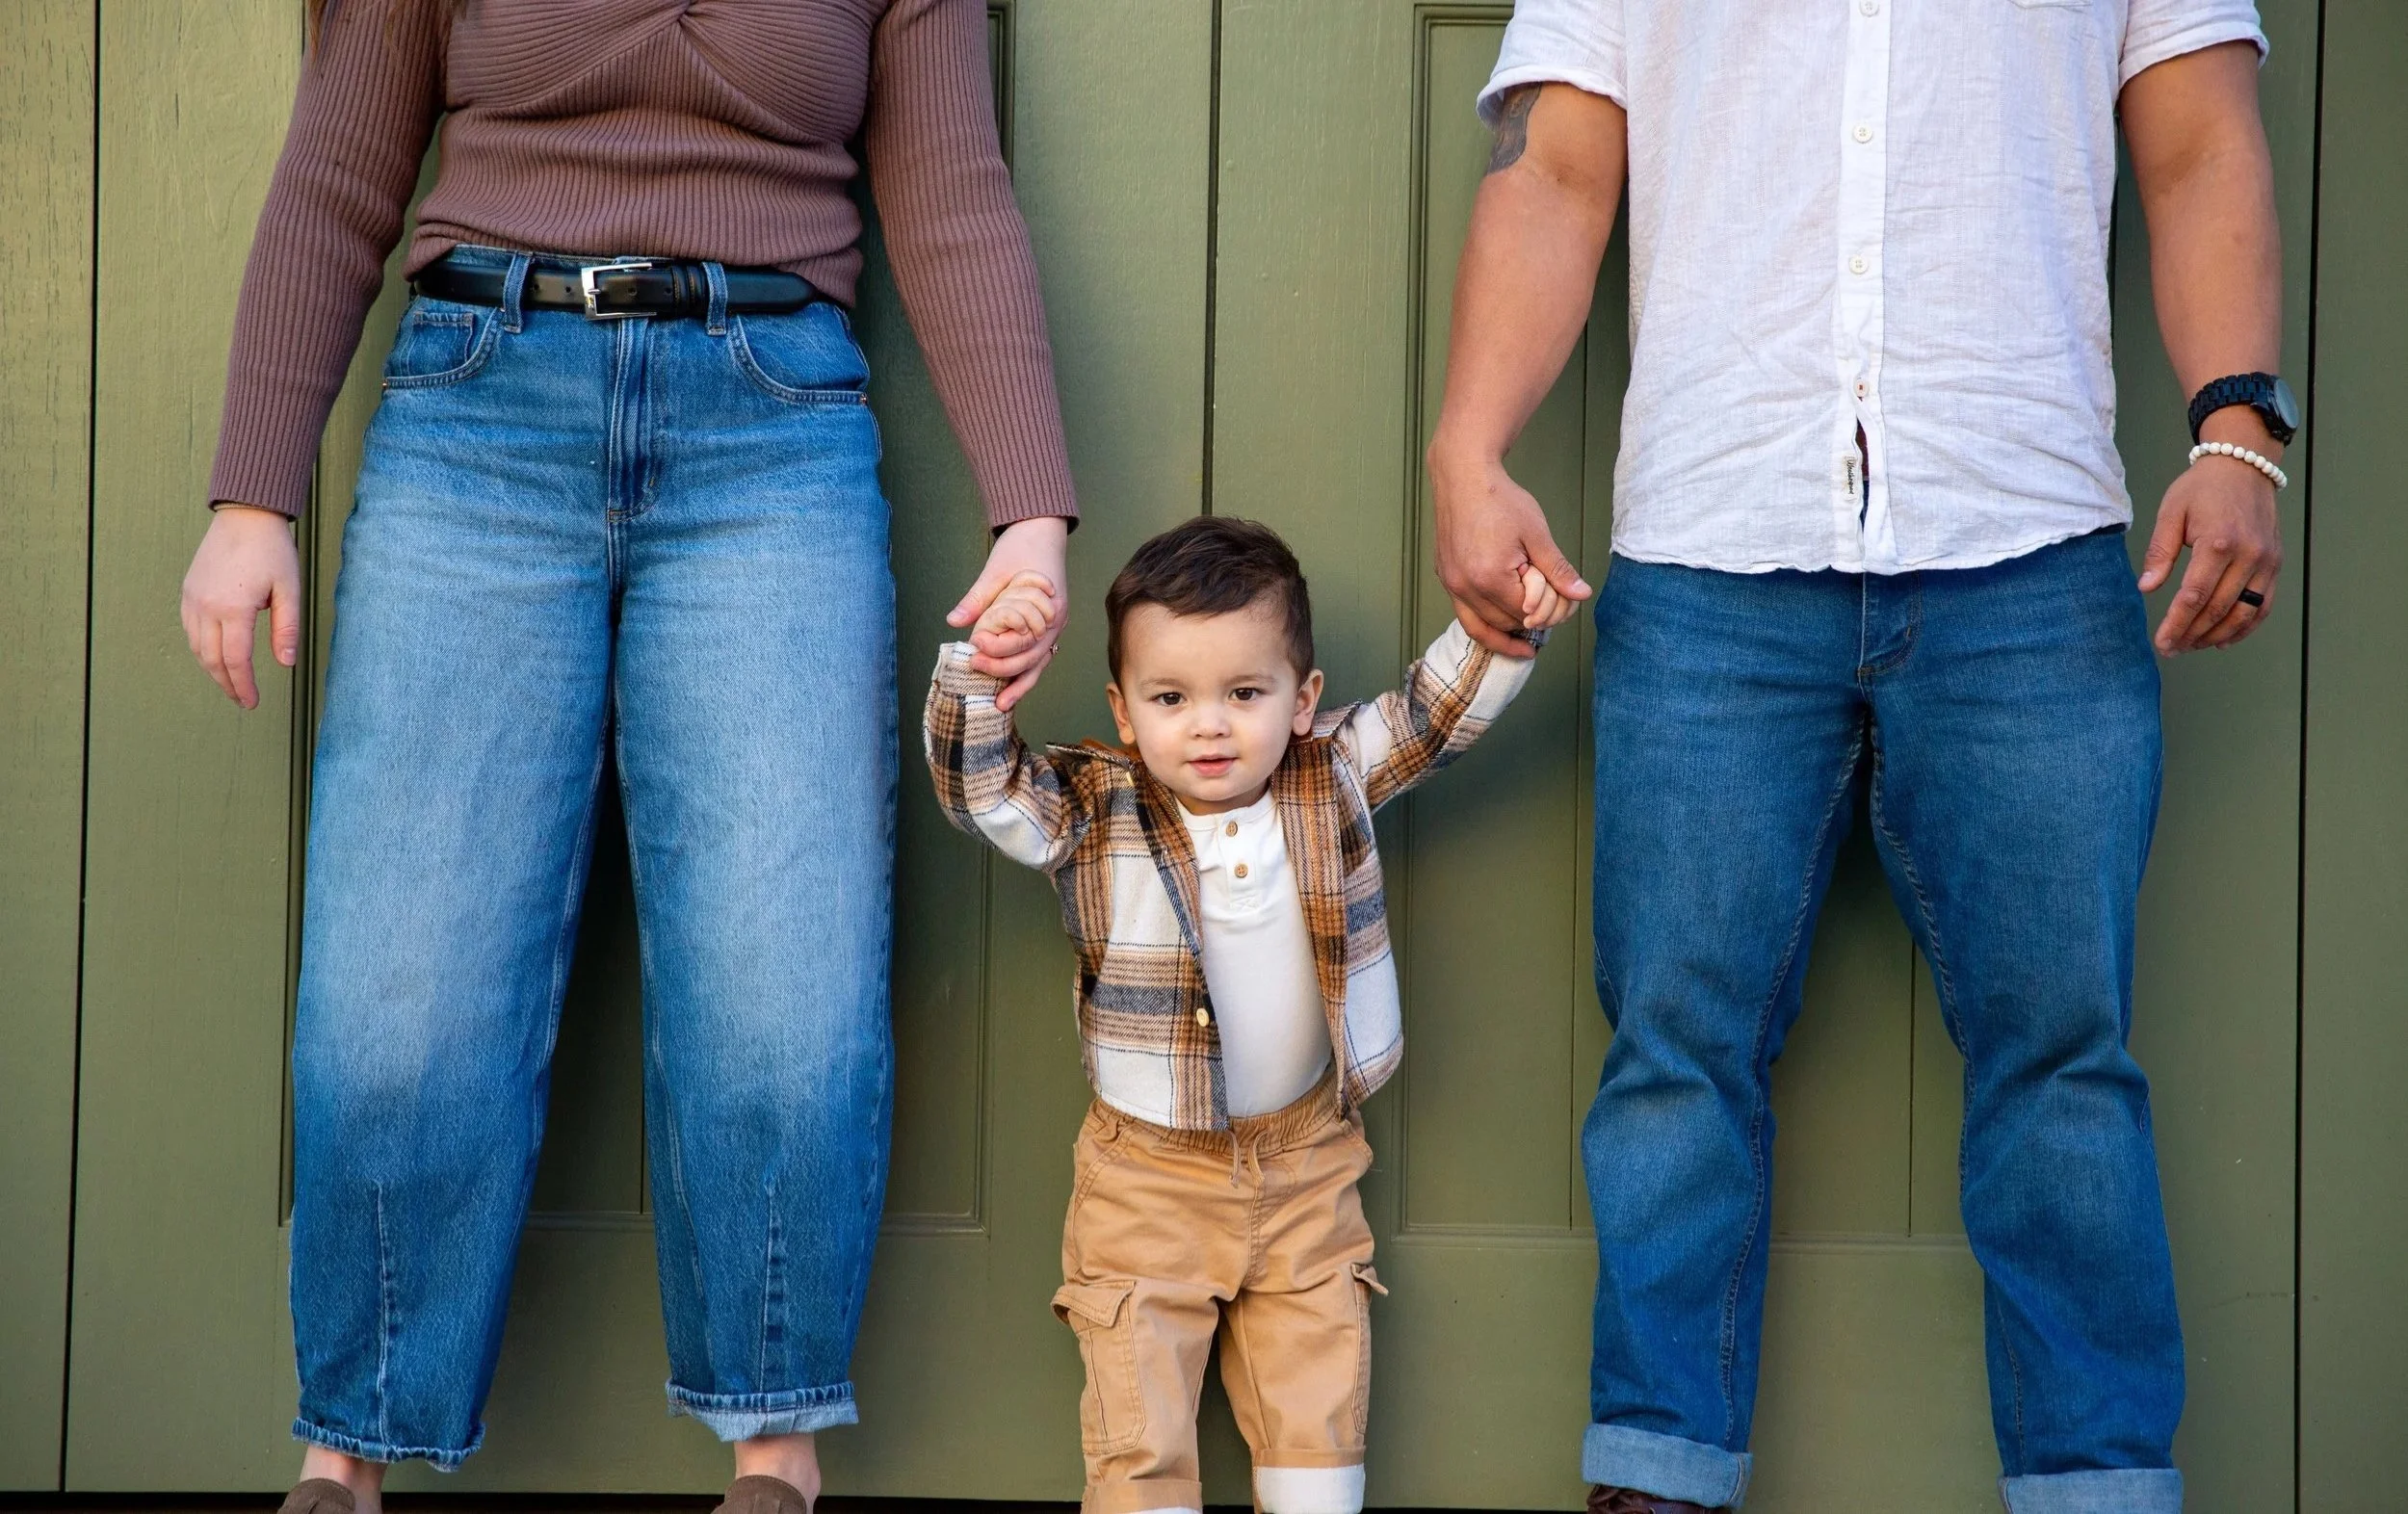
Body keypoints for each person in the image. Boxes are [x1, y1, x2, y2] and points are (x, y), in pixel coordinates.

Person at [175, 4, 1078, 1514]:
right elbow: (340, 162)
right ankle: (345, 1457)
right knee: (400, 995)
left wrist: (1029, 505)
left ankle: (771, 1458)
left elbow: (954, 187)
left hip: (774, 430)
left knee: (786, 996)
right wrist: (253, 490)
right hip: (477, 411)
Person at [1425, 1, 2290, 1509]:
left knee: (2064, 1061)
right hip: (1711, 543)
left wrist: (2238, 433)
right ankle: (1656, 1475)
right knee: (1674, 1056)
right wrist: (1467, 447)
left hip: (2025, 536)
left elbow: (2202, 142)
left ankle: (2099, 1484)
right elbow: (1557, 171)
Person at [923, 517, 1557, 1514]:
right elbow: (979, 790)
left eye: (1244, 694)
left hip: (1306, 1162)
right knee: (1140, 1431)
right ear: (1124, 712)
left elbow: (1430, 720)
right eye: (1171, 699)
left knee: (1318, 1412)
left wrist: (1503, 624)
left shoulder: (1328, 775)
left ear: (1301, 702)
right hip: (1146, 1177)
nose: (1209, 726)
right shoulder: (1096, 808)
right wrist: (980, 669)